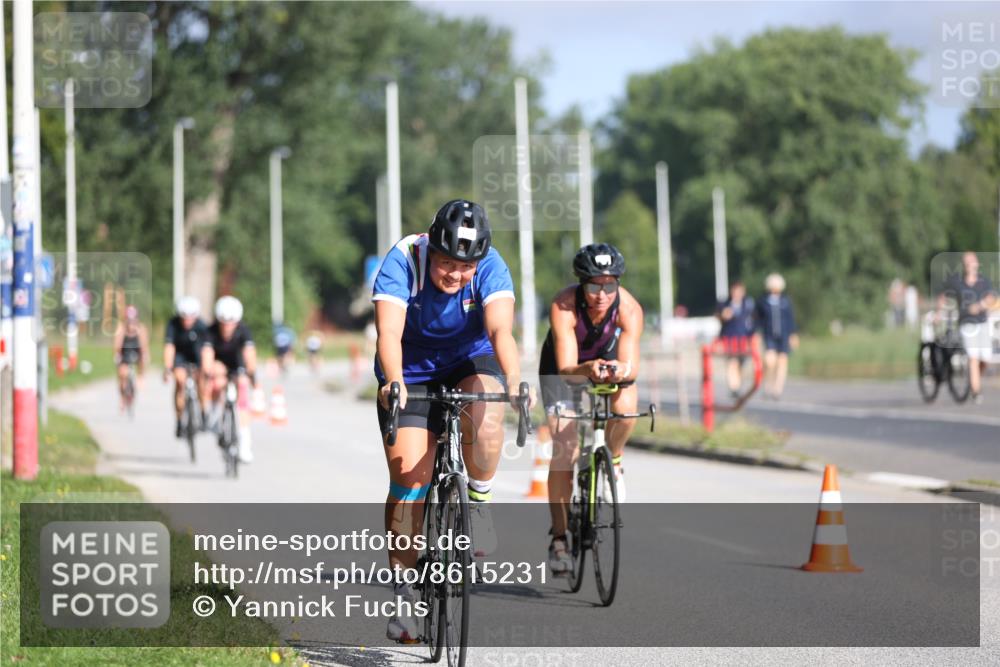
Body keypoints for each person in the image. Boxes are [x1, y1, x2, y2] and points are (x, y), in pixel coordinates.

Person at [372, 199, 522, 643]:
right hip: (411, 369)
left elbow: (499, 332)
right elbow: (389, 334)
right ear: (431, 248)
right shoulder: (403, 260)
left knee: (489, 406)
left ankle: (478, 500)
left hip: (468, 360)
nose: (455, 274)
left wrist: (513, 379)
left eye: (465, 266)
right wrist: (394, 382)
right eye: (445, 263)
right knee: (407, 482)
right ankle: (402, 597)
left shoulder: (492, 265)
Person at [538, 243, 643, 576]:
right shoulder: (564, 305)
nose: (602, 294)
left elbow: (632, 368)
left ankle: (613, 459)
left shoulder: (629, 309)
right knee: (565, 447)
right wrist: (589, 367)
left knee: (625, 407)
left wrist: (618, 371)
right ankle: (559, 539)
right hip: (562, 367)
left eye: (609, 285)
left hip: (607, 362)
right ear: (581, 284)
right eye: (594, 285)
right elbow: (568, 367)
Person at [939, 252, 997, 404]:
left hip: (982, 322)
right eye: (967, 262)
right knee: (973, 358)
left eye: (972, 261)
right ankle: (976, 392)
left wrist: (980, 305)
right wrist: (939, 313)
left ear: (977, 264)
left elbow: (991, 297)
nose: (970, 264)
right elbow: (943, 295)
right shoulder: (957, 281)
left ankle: (974, 379)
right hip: (967, 325)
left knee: (985, 359)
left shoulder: (984, 281)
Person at [207, 296, 258, 463]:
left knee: (242, 391)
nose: (227, 326)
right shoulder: (211, 331)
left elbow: (249, 354)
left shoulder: (243, 330)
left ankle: (244, 443)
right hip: (219, 363)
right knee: (217, 380)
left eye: (231, 323)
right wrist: (209, 372)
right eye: (224, 322)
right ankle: (214, 413)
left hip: (237, 363)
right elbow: (207, 355)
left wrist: (251, 374)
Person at [163, 297, 213, 436]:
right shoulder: (173, 325)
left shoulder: (202, 326)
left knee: (202, 384)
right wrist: (167, 368)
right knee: (180, 382)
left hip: (197, 356)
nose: (187, 321)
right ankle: (179, 420)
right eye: (184, 317)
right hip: (180, 356)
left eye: (190, 318)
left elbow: (207, 350)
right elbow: (169, 347)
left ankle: (204, 412)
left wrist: (207, 371)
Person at [755, 273, 798, 400]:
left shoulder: (785, 301)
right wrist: (757, 333)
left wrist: (793, 334)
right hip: (769, 335)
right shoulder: (763, 301)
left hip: (783, 335)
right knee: (770, 361)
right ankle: (767, 384)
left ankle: (777, 389)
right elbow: (758, 320)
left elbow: (790, 319)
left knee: (782, 361)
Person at [716, 281, 755, 397]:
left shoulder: (748, 305)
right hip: (729, 337)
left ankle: (737, 384)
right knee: (732, 362)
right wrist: (723, 316)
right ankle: (734, 387)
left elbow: (753, 322)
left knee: (741, 363)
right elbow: (718, 316)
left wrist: (752, 338)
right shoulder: (724, 304)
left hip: (744, 338)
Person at [113, 305, 150, 410]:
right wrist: (117, 354)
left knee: (143, 359)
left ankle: (140, 376)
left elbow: (144, 345)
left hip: (136, 351)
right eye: (129, 320)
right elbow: (117, 344)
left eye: (133, 320)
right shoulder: (121, 328)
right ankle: (122, 397)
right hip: (125, 352)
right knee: (122, 374)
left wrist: (145, 355)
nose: (131, 323)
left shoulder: (141, 328)